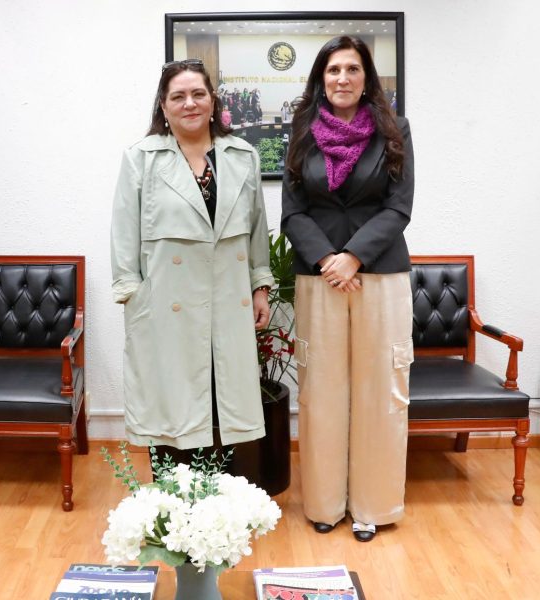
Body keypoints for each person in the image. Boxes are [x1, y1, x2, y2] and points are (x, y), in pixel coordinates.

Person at [281, 36, 415, 542]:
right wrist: (327, 260)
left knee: (381, 391)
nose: (342, 78)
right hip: (319, 276)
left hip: (379, 273)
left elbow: (399, 206)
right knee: (321, 391)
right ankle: (324, 503)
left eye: (352, 69)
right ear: (322, 78)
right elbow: (292, 210)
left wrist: (354, 256)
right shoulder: (302, 129)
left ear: (366, 78)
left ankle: (373, 507)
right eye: (333, 69)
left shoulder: (395, 129)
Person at [111, 59, 274, 465]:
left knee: (226, 403)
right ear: (163, 106)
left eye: (198, 94)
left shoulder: (242, 156)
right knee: (173, 403)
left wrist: (260, 286)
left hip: (228, 299)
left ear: (213, 101)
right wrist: (133, 294)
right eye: (178, 96)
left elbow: (256, 227)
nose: (190, 103)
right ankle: (174, 496)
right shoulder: (141, 158)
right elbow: (124, 232)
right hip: (167, 302)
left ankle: (226, 498)